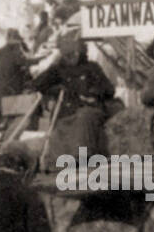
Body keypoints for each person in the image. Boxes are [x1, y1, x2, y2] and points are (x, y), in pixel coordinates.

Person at [32, 31, 115, 166]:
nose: (71, 58)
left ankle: (84, 156)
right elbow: (37, 84)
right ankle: (61, 159)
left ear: (80, 51)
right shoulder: (58, 69)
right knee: (62, 123)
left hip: (90, 108)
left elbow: (109, 89)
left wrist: (94, 94)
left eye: (73, 54)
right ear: (63, 56)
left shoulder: (92, 68)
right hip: (67, 110)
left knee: (84, 117)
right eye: (67, 56)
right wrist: (55, 89)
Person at [0, 29, 29, 152]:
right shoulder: (17, 52)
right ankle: (2, 143)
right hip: (10, 91)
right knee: (11, 118)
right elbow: (26, 63)